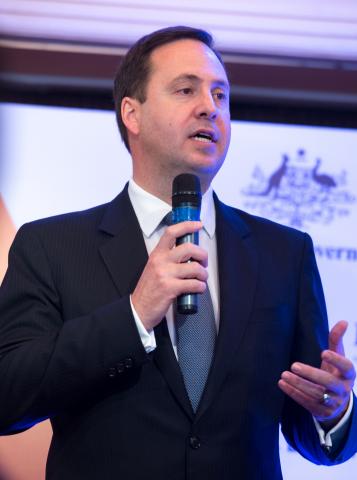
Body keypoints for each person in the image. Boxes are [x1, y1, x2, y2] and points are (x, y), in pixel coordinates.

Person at [0, 26, 356, 480]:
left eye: (221, 95)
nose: (210, 106)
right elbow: (7, 397)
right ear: (132, 113)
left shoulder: (284, 253)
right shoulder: (52, 246)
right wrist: (133, 316)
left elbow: (311, 432)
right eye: (186, 89)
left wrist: (335, 411)